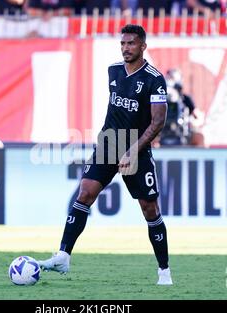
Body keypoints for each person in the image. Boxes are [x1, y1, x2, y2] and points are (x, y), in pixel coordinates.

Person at [38, 24, 173, 285]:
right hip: (109, 144)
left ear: (143, 46)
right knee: (85, 193)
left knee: (150, 209)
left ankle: (164, 271)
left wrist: (134, 150)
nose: (125, 48)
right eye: (122, 44)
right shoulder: (113, 71)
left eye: (131, 43)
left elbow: (158, 121)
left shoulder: (154, 79)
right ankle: (63, 255)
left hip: (137, 150)